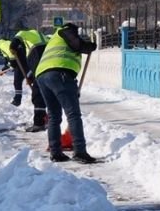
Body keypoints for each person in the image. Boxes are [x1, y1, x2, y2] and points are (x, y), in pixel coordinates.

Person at [34, 23, 98, 164]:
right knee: (73, 114)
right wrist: (89, 46)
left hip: (43, 77)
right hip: (59, 73)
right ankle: (80, 152)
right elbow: (77, 45)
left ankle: (56, 153)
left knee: (54, 116)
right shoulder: (65, 31)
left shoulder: (53, 40)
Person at [9, 27, 48, 130]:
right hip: (49, 54)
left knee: (37, 91)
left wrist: (13, 47)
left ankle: (39, 123)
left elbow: (17, 37)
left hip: (37, 51)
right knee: (44, 86)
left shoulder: (25, 33)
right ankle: (47, 118)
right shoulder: (42, 36)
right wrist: (30, 76)